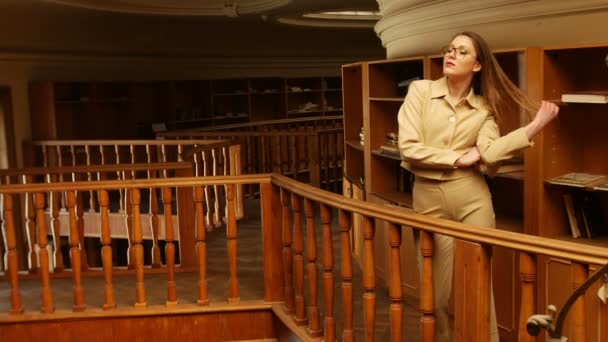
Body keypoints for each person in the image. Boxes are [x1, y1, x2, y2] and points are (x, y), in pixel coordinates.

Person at [397, 31, 559, 342]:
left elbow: (491, 154)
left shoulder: (483, 108)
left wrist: (534, 125)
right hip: (428, 201)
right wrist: (458, 158)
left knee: (480, 290)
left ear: (477, 65)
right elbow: (409, 148)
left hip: (473, 200)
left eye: (462, 51)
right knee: (436, 296)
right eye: (450, 49)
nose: (451, 54)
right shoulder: (420, 91)